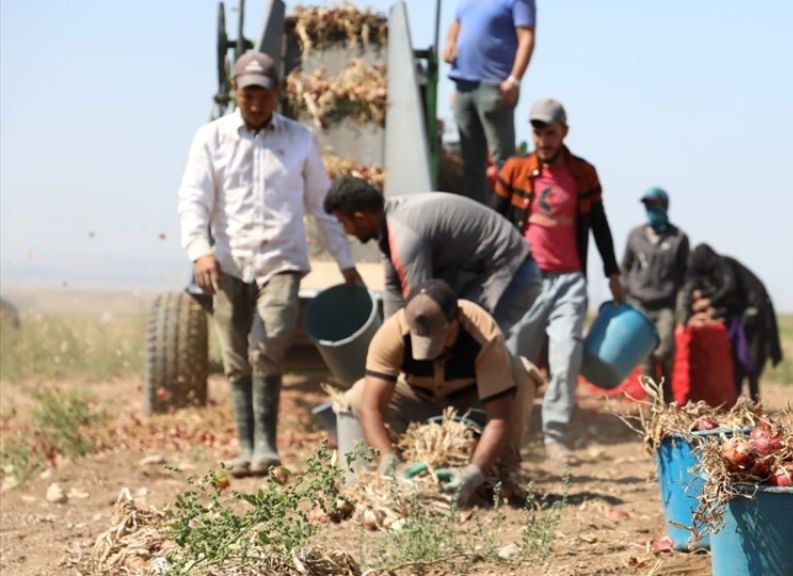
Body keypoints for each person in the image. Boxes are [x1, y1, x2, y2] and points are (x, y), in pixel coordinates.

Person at [178, 51, 360, 477]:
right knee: (236, 354)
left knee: (269, 343)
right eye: (248, 95)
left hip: (281, 259)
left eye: (264, 94)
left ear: (278, 93)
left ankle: (268, 446)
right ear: (235, 93)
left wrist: (346, 261)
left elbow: (322, 205)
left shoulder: (299, 140)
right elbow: (193, 199)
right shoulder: (212, 138)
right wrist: (199, 250)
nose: (256, 103)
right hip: (228, 260)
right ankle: (246, 447)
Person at [493, 98, 625, 460]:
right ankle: (507, 435)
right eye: (537, 131)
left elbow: (599, 226)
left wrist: (612, 273)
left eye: (550, 132)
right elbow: (495, 219)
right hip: (526, 280)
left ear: (563, 132)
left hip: (569, 281)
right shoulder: (516, 170)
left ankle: (555, 436)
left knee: (565, 358)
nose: (543, 139)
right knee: (514, 359)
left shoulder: (583, 174)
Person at [342, 280, 534, 505]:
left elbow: (498, 418)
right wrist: (389, 462)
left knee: (521, 374)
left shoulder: (482, 331)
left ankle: (502, 473)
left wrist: (472, 474)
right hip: (417, 399)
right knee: (358, 394)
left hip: (470, 405)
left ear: (457, 318)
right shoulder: (392, 332)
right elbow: (371, 408)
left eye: (441, 339)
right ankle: (385, 472)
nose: (435, 350)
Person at [322, 177, 541, 335]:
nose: (344, 231)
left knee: (473, 350)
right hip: (490, 273)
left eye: (343, 222)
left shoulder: (405, 234)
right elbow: (393, 292)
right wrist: (386, 345)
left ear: (360, 218)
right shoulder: (389, 226)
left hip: (511, 274)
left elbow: (421, 308)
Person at [443, 0, 537, 202]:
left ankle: (509, 218)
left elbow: (527, 37)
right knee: (471, 162)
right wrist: (450, 42)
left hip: (495, 85)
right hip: (463, 85)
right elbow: (456, 23)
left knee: (505, 163)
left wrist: (514, 80)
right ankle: (480, 219)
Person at [679, 244, 782, 402]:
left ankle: (754, 403)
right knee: (737, 361)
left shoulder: (724, 265)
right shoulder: (712, 274)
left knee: (750, 361)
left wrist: (708, 301)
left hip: (755, 315)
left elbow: (729, 289)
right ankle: (738, 399)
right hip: (743, 317)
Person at [621, 187, 689, 401]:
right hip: (639, 306)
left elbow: (686, 279)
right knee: (646, 360)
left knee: (665, 351)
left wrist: (682, 312)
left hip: (665, 306)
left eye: (654, 205)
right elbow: (625, 268)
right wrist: (625, 298)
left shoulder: (678, 238)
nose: (650, 209)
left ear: (664, 206)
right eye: (647, 205)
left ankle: (668, 400)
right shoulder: (635, 236)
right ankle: (654, 411)